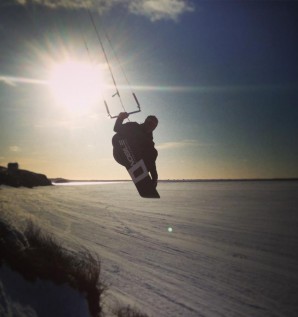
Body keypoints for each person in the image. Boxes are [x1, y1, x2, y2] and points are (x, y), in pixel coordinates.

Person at [112, 112, 159, 188]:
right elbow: (116, 128)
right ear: (146, 122)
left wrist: (154, 178)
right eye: (149, 124)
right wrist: (120, 118)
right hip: (120, 152)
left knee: (153, 152)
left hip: (135, 158)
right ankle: (137, 165)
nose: (150, 127)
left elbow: (152, 160)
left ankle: (141, 171)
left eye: (153, 126)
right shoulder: (134, 126)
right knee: (136, 141)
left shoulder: (149, 141)